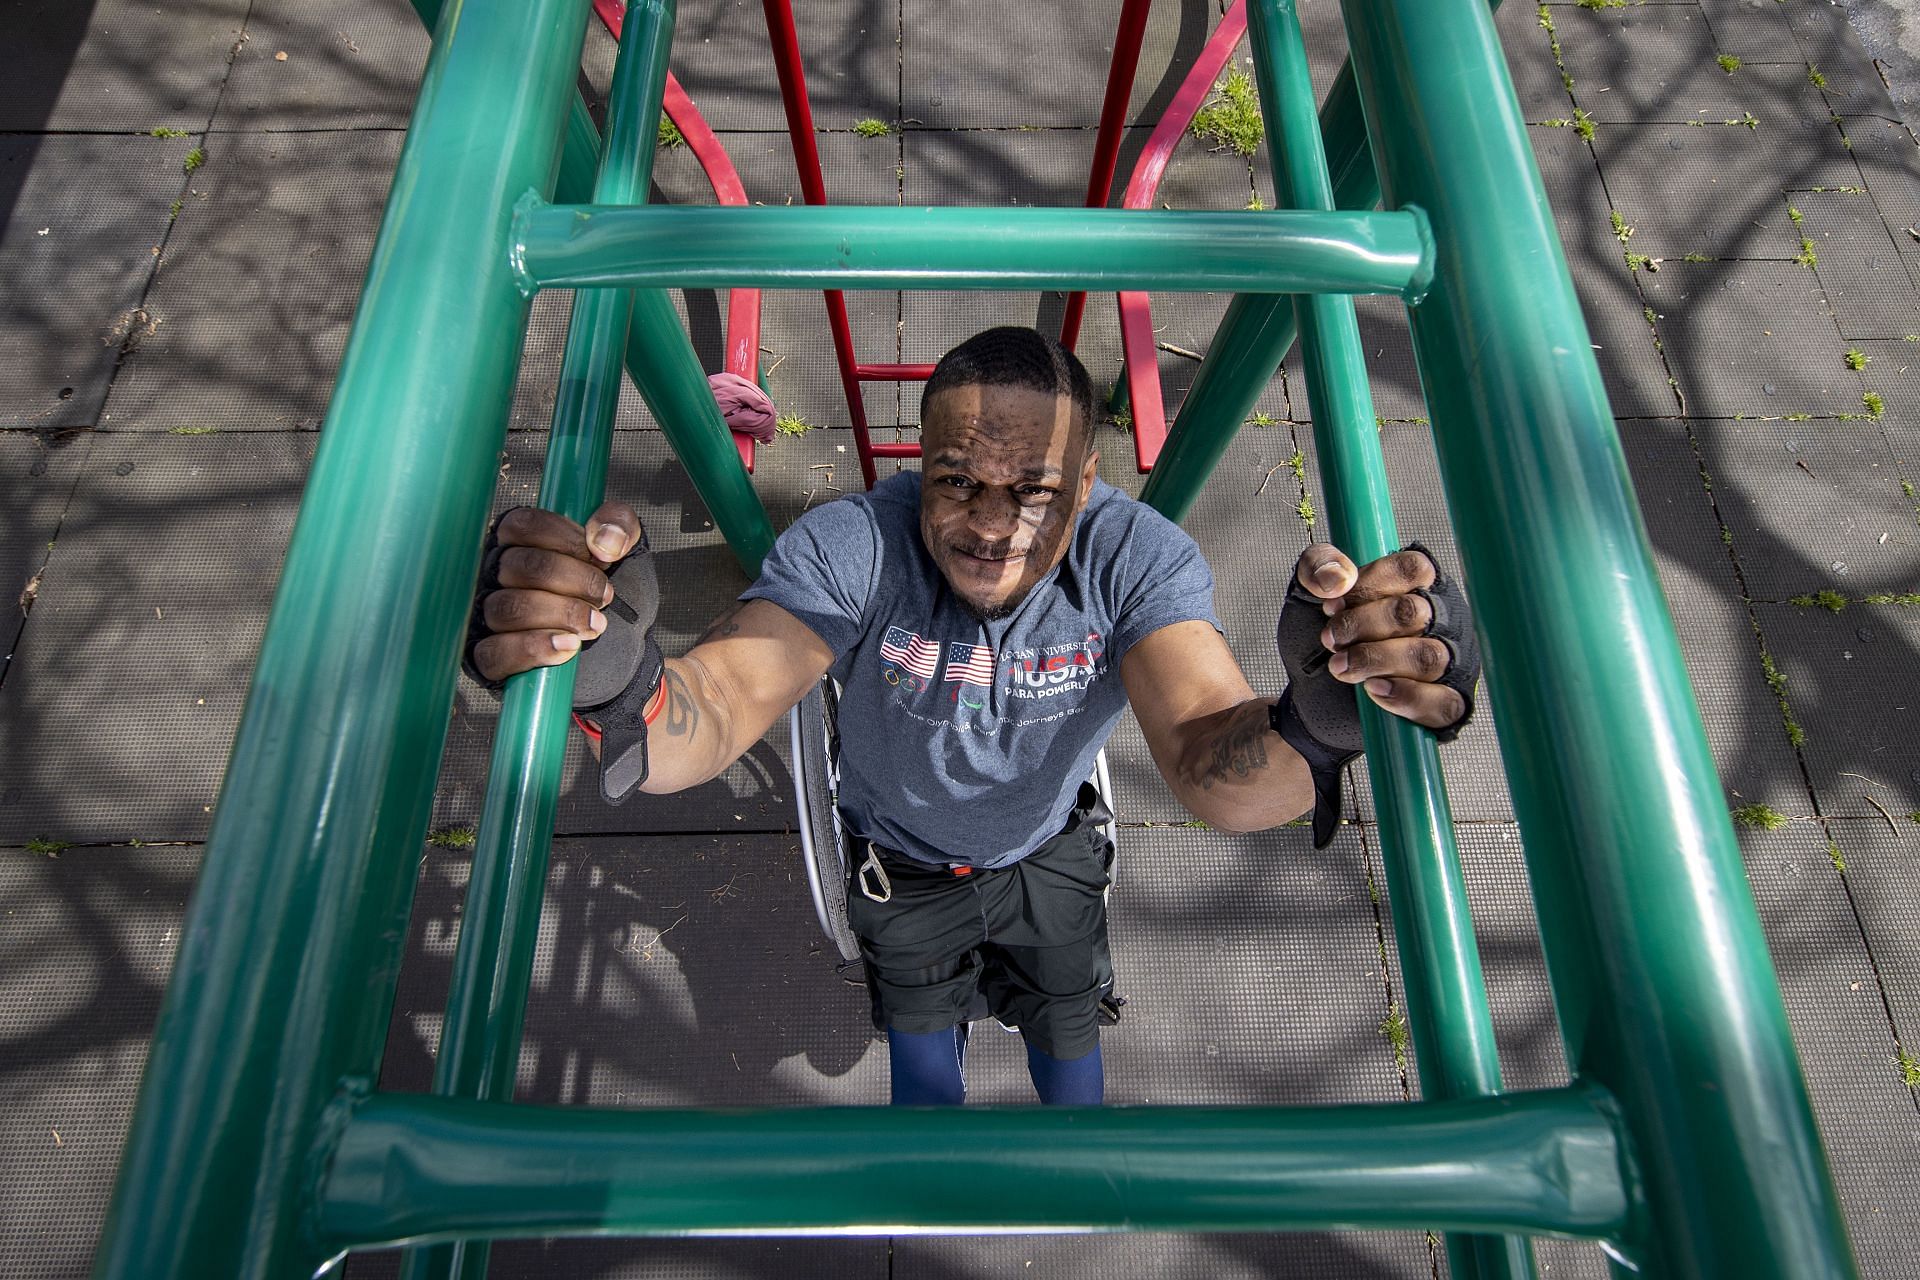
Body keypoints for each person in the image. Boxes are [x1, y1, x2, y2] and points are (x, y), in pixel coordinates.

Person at [466, 327, 1478, 1106]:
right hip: (899, 866)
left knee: (1074, 1077)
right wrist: (613, 673)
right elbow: (722, 700)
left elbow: (1213, 754)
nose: (990, 527)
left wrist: (1324, 717)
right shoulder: (856, 543)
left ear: (1088, 480)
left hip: (1050, 855)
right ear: (923, 465)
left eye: (1032, 489)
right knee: (925, 1100)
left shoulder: (1134, 558)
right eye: (957, 483)